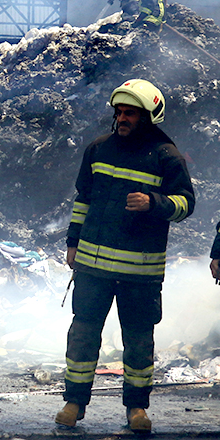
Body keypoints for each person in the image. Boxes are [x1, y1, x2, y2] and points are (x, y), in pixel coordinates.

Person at [55, 79, 194, 433]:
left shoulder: (166, 156)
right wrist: (73, 243)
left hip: (140, 272)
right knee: (83, 334)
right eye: (119, 112)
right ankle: (74, 403)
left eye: (130, 113)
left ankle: (137, 408)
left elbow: (186, 203)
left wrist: (153, 202)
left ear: (148, 116)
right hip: (93, 267)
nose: (121, 119)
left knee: (138, 341)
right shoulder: (98, 149)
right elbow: (83, 199)